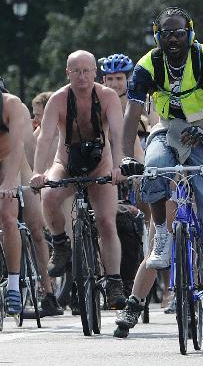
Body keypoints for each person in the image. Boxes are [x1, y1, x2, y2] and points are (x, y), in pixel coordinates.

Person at [117, 7, 203, 334]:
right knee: (152, 170)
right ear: (158, 35)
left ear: (190, 33)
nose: (172, 38)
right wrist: (127, 156)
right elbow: (132, 115)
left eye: (179, 32)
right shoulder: (147, 65)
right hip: (168, 129)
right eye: (166, 33)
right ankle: (163, 237)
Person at [30, 50, 127, 310]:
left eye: (87, 70)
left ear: (96, 72)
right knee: (49, 196)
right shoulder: (59, 100)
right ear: (67, 73)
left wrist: (118, 167)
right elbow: (45, 137)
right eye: (76, 71)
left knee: (107, 222)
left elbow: (117, 135)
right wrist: (38, 172)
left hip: (100, 165)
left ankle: (114, 281)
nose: (82, 76)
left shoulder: (107, 97)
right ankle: (60, 243)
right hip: (66, 163)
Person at [0, 83, 26, 315]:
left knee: (8, 216)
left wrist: (9, 182)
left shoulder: (11, 104)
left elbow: (18, 145)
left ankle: (14, 284)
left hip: (7, 159)